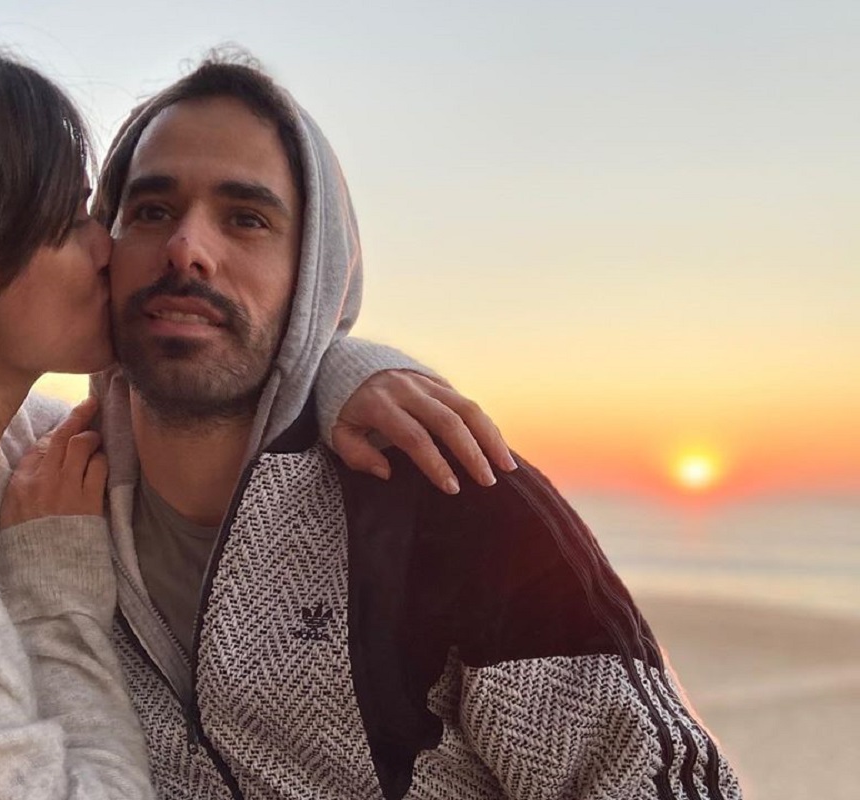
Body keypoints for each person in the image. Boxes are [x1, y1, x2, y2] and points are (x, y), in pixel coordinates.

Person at [0, 35, 512, 798]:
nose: (111, 245)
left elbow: (197, 382)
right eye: (70, 221)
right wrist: (58, 601)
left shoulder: (2, 450)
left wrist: (343, 370)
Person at [82, 56, 743, 799]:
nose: (187, 248)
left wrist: (341, 362)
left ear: (315, 274)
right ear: (103, 248)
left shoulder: (451, 491)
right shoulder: (44, 504)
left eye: (247, 219)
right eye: (152, 211)